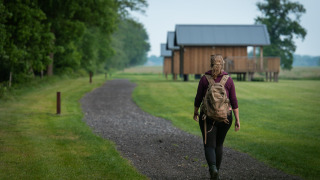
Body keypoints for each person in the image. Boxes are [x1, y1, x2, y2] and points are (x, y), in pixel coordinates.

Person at [193, 54, 240, 180]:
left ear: (211, 64)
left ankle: (213, 169)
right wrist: (237, 120)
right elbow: (234, 101)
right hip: (226, 117)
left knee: (209, 145)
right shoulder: (228, 80)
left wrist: (196, 112)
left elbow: (198, 98)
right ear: (222, 65)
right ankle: (217, 172)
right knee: (219, 145)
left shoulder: (204, 79)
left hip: (208, 117)